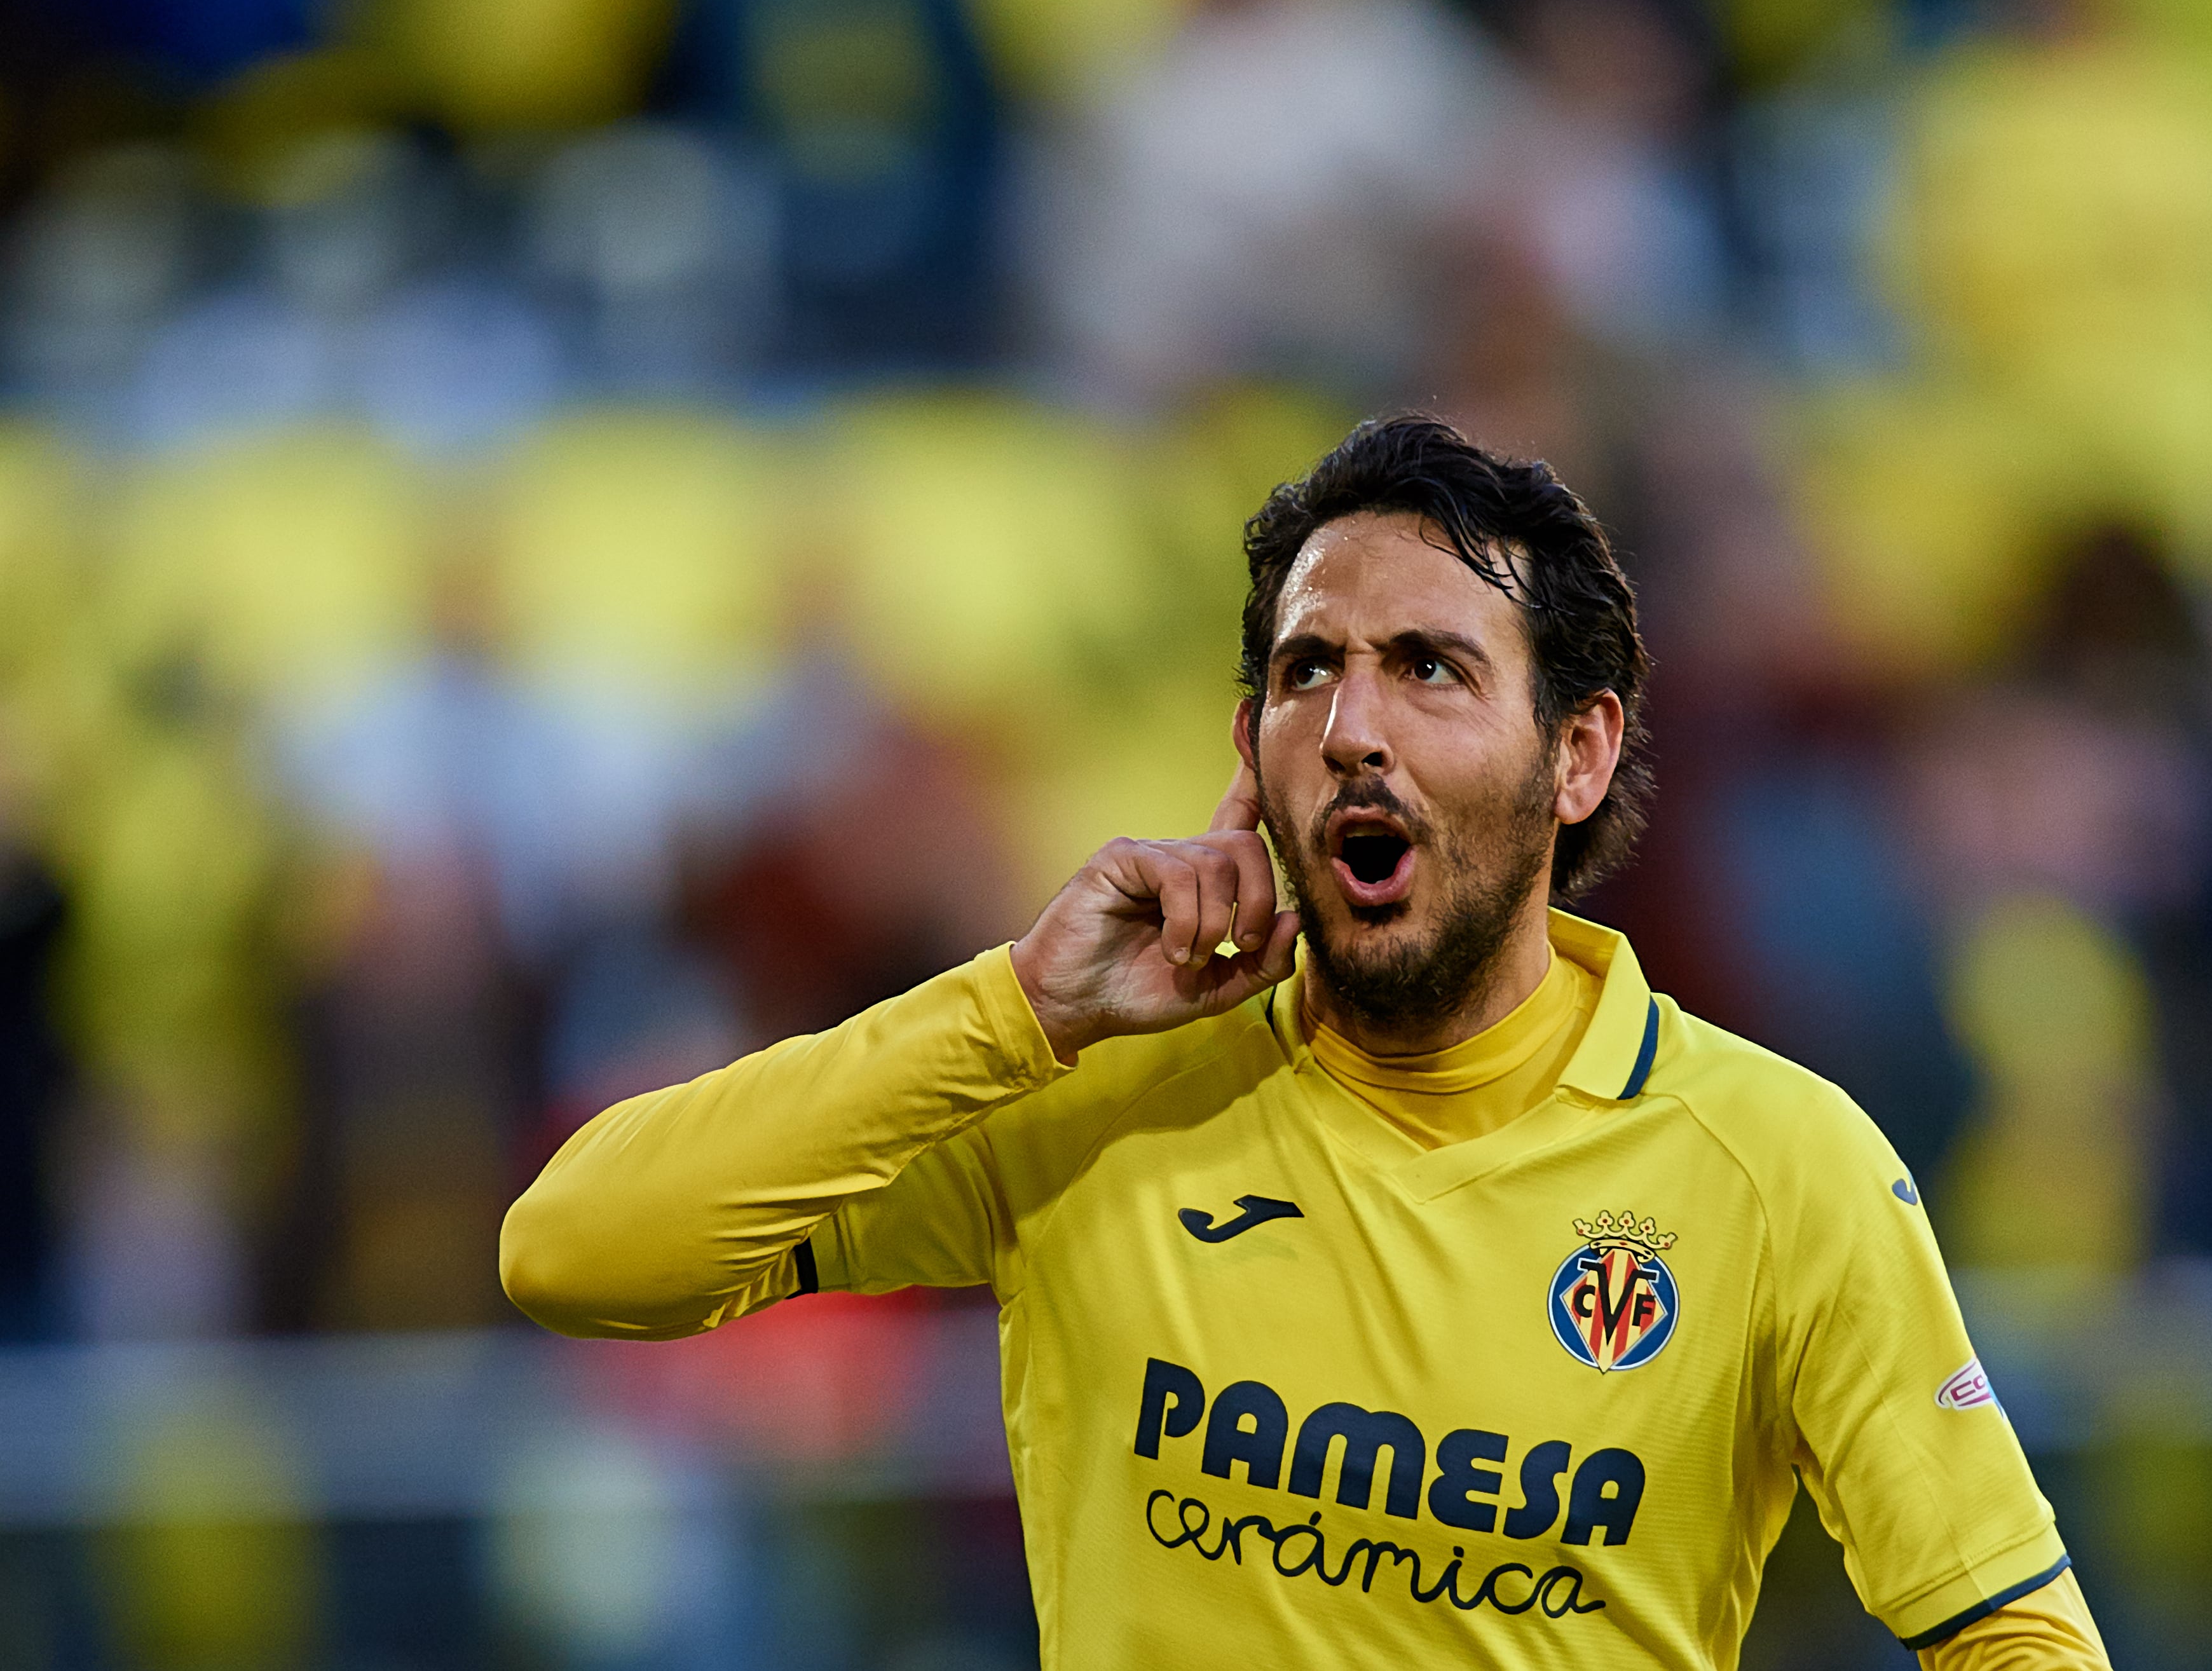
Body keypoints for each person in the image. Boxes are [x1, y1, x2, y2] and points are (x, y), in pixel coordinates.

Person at [502, 416, 2112, 1667]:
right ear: (1248, 753)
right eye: (1305, 672)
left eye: (1428, 668)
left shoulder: (1779, 1164)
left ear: (1576, 752)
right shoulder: (1089, 1097)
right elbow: (575, 1251)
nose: (1352, 725)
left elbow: (2007, 1628)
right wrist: (1016, 1008)